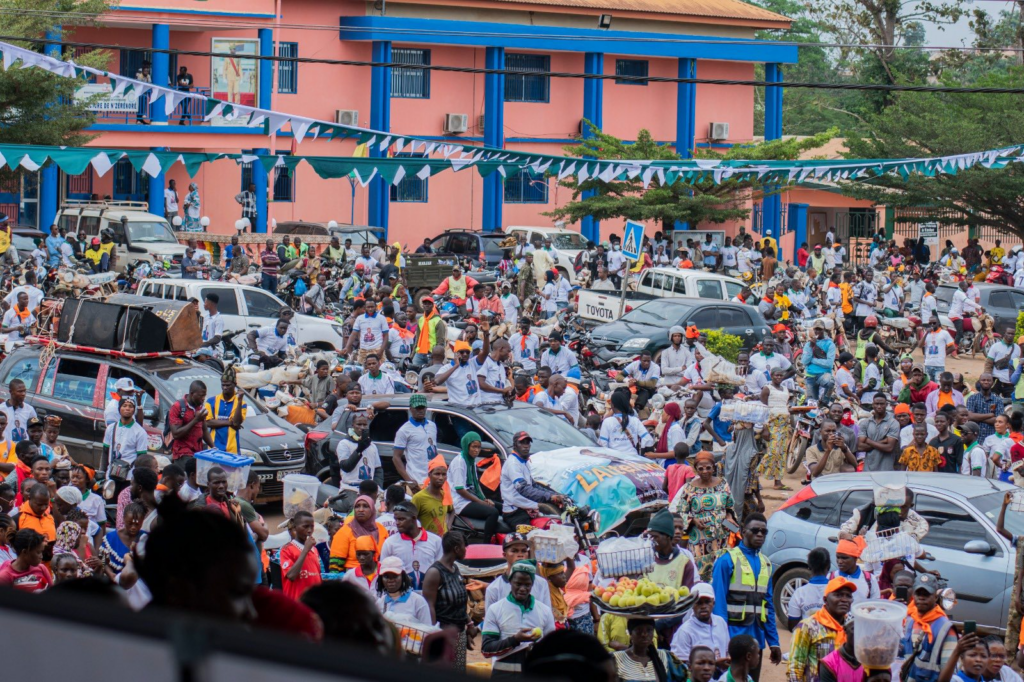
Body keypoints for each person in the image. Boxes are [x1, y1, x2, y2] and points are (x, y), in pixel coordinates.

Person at [712, 513, 781, 680]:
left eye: (764, 532)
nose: (760, 535)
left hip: (755, 641)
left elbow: (768, 607)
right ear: (743, 532)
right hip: (733, 639)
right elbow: (718, 604)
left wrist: (773, 642)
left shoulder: (766, 563)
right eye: (755, 530)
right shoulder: (727, 560)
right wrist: (722, 642)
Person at [482, 560, 557, 678]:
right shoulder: (495, 609)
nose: (522, 589)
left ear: (532, 584)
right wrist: (515, 640)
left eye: (527, 585)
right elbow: (487, 650)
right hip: (504, 676)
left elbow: (552, 647)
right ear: (510, 582)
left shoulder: (545, 611)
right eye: (518, 584)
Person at [669, 451, 733, 582]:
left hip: (721, 538)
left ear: (714, 468)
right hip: (699, 539)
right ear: (696, 469)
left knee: (721, 574)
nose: (705, 471)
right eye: (701, 468)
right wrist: (693, 521)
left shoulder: (723, 484)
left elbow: (730, 507)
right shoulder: (689, 488)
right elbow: (681, 512)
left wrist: (729, 517)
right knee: (701, 575)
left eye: (708, 468)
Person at [422, 531, 476, 671]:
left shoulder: (455, 568)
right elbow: (429, 607)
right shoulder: (435, 572)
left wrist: (469, 624)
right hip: (443, 635)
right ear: (457, 549)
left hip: (459, 633)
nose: (466, 550)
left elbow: (459, 602)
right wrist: (436, 636)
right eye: (464, 546)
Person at [787, 576, 856, 682]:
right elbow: (795, 669)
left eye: (848, 596)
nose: (844, 599)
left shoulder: (853, 629)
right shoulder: (808, 626)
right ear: (825, 600)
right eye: (838, 595)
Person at [900, 573, 959, 682]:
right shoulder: (909, 621)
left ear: (936, 597)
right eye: (918, 593)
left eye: (926, 594)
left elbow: (949, 675)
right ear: (913, 595)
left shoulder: (946, 629)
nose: (922, 597)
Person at [500, 431, 566, 528]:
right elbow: (523, 489)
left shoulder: (524, 461)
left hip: (527, 508)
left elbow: (533, 485)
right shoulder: (513, 464)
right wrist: (549, 497)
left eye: (527, 443)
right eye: (522, 442)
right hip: (515, 512)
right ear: (515, 445)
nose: (526, 446)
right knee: (531, 539)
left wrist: (555, 495)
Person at [448, 431, 501, 543]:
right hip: (460, 502)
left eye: (478, 447)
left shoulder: (471, 461)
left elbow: (476, 486)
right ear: (467, 446)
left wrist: (485, 499)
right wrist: (480, 502)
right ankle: (486, 543)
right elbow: (460, 490)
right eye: (474, 447)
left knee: (501, 507)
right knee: (493, 512)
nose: (476, 450)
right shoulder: (459, 463)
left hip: (469, 498)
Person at [379, 501, 442, 589]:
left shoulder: (435, 541)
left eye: (401, 519)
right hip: (401, 597)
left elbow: (441, 570)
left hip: (429, 595)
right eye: (396, 519)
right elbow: (383, 571)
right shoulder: (390, 543)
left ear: (413, 518)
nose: (397, 523)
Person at [670, 583, 729, 673]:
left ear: (713, 603)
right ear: (692, 605)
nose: (703, 606)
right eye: (699, 602)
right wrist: (714, 664)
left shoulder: (720, 622)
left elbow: (726, 650)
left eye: (707, 602)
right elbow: (679, 666)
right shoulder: (685, 631)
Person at [485, 532, 553, 608]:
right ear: (505, 555)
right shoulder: (494, 588)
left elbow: (547, 615)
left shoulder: (541, 584)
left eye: (524, 551)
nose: (520, 554)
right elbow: (490, 618)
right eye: (514, 551)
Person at [613, 617, 685, 682]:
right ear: (630, 633)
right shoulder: (616, 659)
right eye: (639, 630)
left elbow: (688, 677)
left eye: (649, 630)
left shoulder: (666, 657)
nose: (644, 634)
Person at [328, 495, 388, 572]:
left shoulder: (381, 529)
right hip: (352, 579)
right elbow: (335, 567)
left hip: (378, 577)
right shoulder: (344, 532)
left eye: (365, 506)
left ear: (372, 509)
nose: (360, 510)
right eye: (357, 506)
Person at [393, 394, 438, 492]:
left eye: (422, 407)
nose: (420, 410)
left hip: (434, 480)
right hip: (417, 480)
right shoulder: (404, 430)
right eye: (417, 408)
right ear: (410, 409)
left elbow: (434, 450)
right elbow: (396, 457)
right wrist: (409, 481)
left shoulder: (432, 426)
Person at [376, 554, 432, 624]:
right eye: (386, 576)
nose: (390, 580)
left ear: (403, 576)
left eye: (395, 576)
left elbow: (427, 630)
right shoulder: (380, 603)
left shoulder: (418, 601)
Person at [280, 510, 322, 600]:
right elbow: (291, 575)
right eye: (305, 527)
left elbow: (317, 576)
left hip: (312, 602)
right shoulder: (287, 549)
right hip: (296, 602)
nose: (310, 530)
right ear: (295, 528)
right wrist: (305, 550)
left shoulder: (314, 549)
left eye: (312, 527)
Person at [600, 390, 655, 456]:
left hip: (614, 460)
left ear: (613, 405)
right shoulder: (635, 420)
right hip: (633, 459)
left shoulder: (607, 422)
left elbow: (603, 444)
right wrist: (643, 454)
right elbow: (648, 439)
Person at [101, 398, 149, 473]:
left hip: (129, 476)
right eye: (124, 406)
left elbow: (141, 457)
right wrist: (102, 472)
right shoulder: (111, 428)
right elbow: (105, 451)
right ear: (119, 409)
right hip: (111, 473)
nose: (127, 408)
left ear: (134, 410)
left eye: (130, 406)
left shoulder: (140, 432)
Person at [858, 394, 900, 472]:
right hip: (868, 470)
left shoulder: (893, 423)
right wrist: (883, 441)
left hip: (886, 470)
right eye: (877, 404)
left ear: (886, 405)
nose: (879, 406)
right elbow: (860, 447)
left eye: (882, 404)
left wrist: (868, 441)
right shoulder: (865, 423)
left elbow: (889, 448)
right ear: (873, 405)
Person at [412, 455, 452, 536]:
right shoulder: (419, 498)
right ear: (429, 475)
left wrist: (448, 526)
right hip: (426, 543)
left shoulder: (445, 495)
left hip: (441, 542)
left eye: (444, 474)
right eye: (437, 474)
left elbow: (452, 510)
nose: (441, 478)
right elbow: (410, 520)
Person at [168, 380, 208, 460]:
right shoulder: (177, 407)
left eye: (204, 395)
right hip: (182, 453)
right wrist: (195, 420)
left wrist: (213, 447)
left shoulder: (200, 406)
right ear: (192, 393)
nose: (203, 398)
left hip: (197, 452)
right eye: (201, 396)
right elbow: (176, 434)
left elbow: (204, 430)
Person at [1, 378, 36, 444]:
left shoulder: (29, 410)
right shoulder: (2, 409)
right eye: (20, 391)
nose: (23, 394)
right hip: (5, 448)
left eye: (24, 391)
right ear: (11, 392)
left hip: (23, 449)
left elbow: (35, 430)